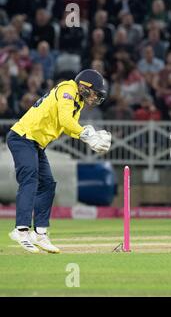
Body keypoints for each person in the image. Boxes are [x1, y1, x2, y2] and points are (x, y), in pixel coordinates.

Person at [6, 69, 112, 254]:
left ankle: (40, 233)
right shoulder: (68, 89)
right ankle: (21, 230)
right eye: (95, 92)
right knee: (30, 179)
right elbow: (64, 119)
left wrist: (90, 134)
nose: (95, 97)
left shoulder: (77, 100)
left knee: (47, 184)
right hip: (22, 137)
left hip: (36, 143)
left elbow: (68, 127)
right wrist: (86, 134)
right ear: (85, 86)